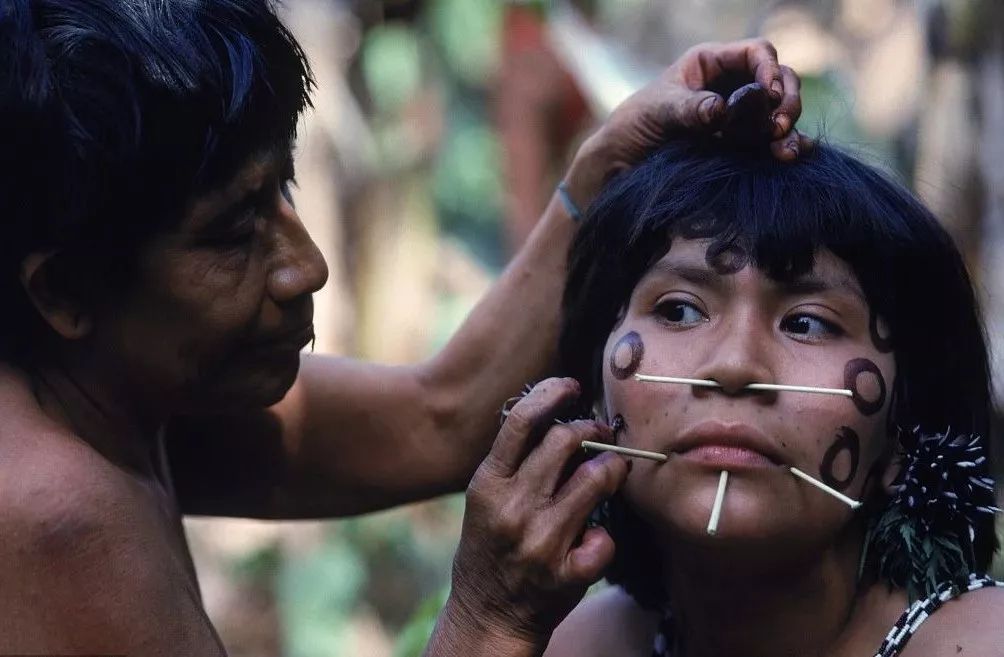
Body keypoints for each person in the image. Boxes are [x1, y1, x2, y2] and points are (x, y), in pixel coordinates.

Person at [0, 0, 806, 653]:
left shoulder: (126, 390)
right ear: (67, 288)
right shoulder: (54, 515)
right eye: (231, 232)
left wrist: (603, 172)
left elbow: (440, 418)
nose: (305, 266)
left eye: (280, 187)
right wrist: (487, 619)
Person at [433, 133, 1004, 657]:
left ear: (904, 430)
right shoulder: (574, 644)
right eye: (679, 309)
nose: (733, 367)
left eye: (807, 323)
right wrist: (488, 626)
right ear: (596, 399)